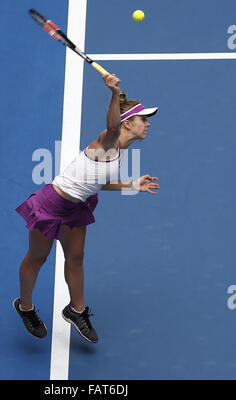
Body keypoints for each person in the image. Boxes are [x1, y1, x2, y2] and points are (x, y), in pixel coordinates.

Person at [14, 74, 160, 344]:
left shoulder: (120, 152)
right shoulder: (109, 140)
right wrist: (114, 93)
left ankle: (76, 311)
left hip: (77, 206)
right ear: (128, 123)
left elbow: (95, 182)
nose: (148, 124)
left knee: (76, 258)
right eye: (144, 119)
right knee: (37, 259)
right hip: (52, 205)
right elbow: (112, 125)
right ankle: (25, 307)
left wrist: (131, 185)